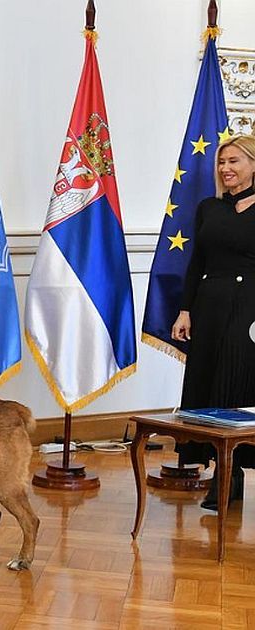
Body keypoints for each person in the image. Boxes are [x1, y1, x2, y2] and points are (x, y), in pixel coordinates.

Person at [172, 133, 255, 510]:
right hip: (209, 307)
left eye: (234, 161)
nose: (225, 169)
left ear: (253, 164)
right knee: (207, 388)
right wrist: (185, 310)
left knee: (237, 386)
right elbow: (196, 264)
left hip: (250, 310)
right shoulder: (209, 207)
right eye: (222, 163)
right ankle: (222, 473)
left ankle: (232, 471)